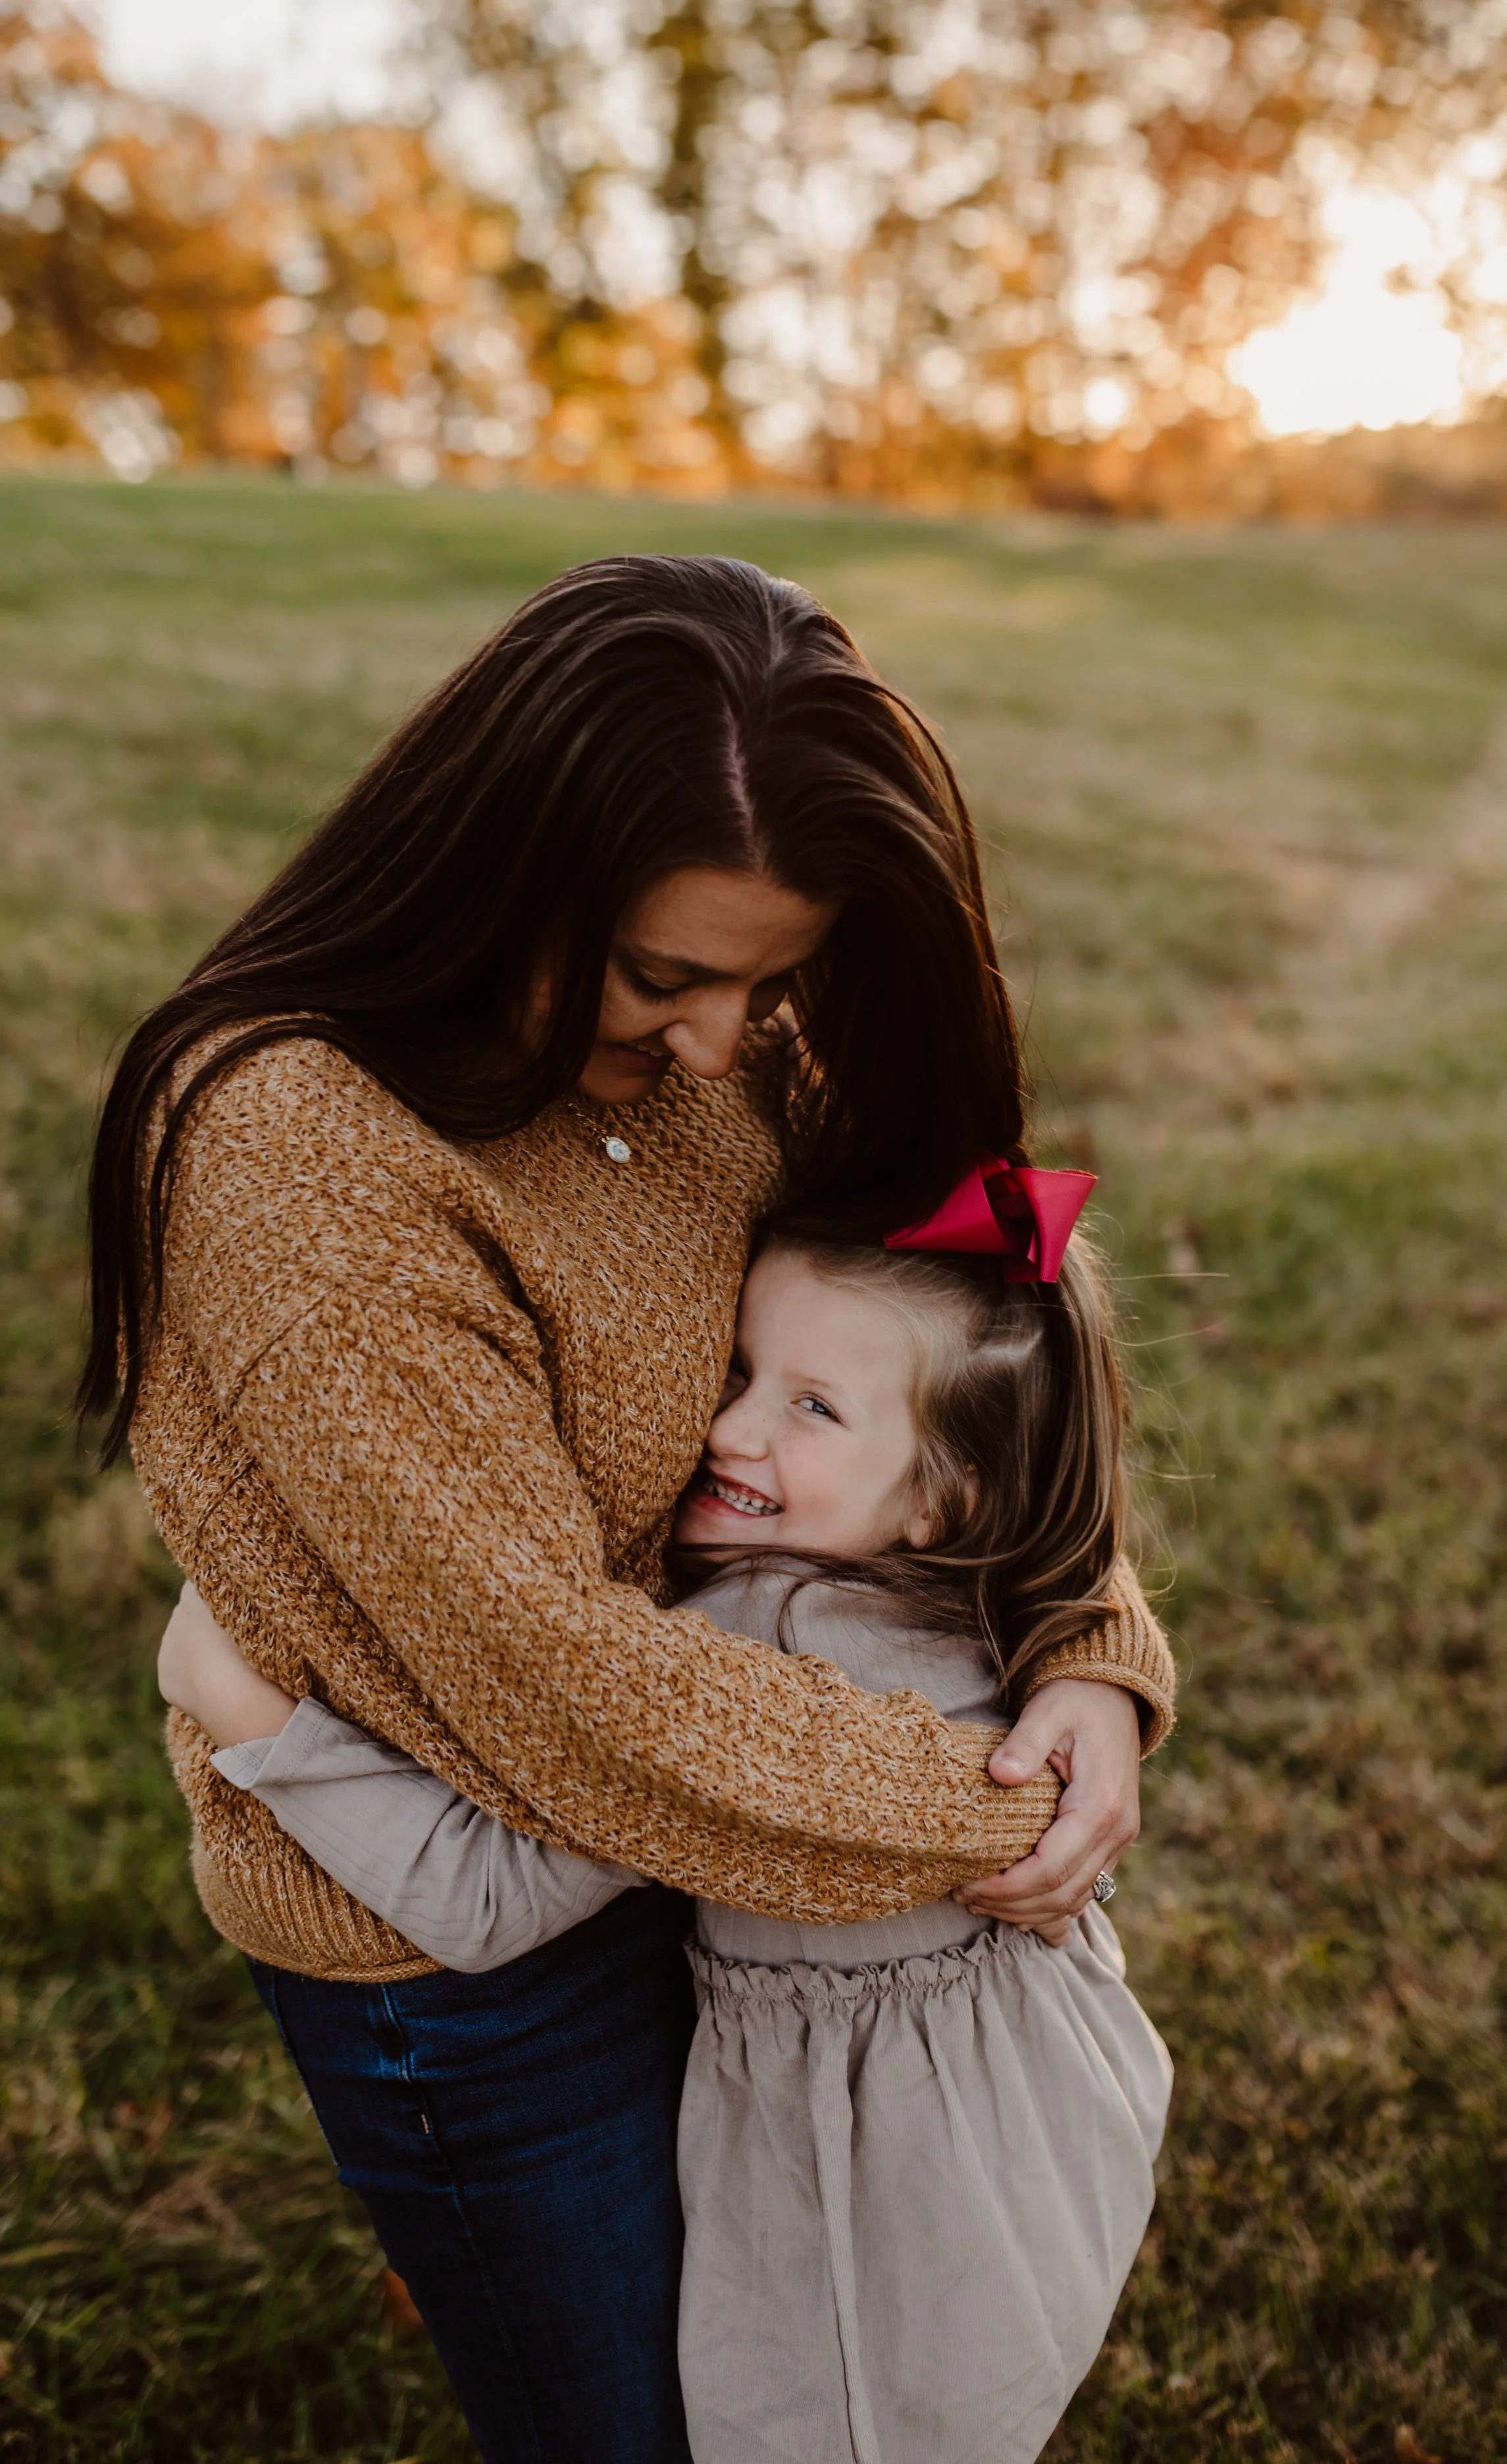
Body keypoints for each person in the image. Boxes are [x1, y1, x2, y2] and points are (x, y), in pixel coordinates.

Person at [80, 555, 1176, 2463]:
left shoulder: (708, 1048)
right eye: (665, 976)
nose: (721, 1045)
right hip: (462, 1935)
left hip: (718, 1867)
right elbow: (558, 1690)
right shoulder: (304, 1165)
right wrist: (991, 1798)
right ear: (499, 872)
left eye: (775, 980)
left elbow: (971, 1335)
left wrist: (1087, 1645)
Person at [161, 1186, 1174, 2464]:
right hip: (1035, 2094)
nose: (728, 1427)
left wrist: (251, 1712)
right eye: (739, 1368)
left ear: (943, 1498)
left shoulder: (746, 1651)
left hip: (866, 2177)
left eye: (811, 1407)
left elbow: (487, 1899)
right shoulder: (981, 1583)